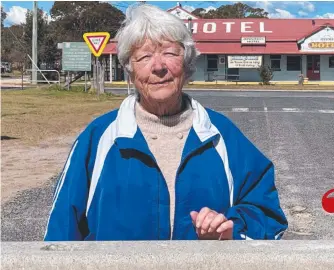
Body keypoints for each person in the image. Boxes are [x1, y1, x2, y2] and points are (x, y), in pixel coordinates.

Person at [44, 4, 288, 241]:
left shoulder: (221, 135)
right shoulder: (98, 139)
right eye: (144, 56)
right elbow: (61, 232)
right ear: (130, 70)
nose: (158, 66)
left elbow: (267, 214)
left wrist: (230, 228)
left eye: (170, 52)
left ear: (187, 61)